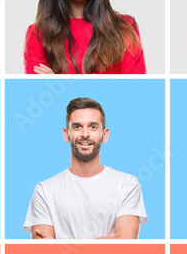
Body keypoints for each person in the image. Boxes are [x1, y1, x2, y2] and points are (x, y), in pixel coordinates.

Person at [23, 97, 147, 239]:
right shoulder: (44, 191)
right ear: (66, 134)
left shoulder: (127, 184)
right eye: (77, 127)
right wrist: (111, 238)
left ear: (104, 135)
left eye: (93, 127)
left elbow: (125, 243)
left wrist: (62, 245)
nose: (85, 134)